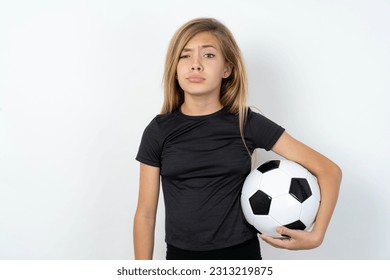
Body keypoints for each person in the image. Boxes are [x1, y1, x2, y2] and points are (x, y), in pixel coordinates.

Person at [133, 18, 342, 260]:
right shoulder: (158, 131)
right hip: (181, 259)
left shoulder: (246, 123)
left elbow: (329, 171)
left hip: (241, 257)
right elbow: (145, 214)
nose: (196, 65)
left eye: (209, 55)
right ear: (175, 68)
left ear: (227, 69)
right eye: (185, 56)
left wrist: (317, 235)